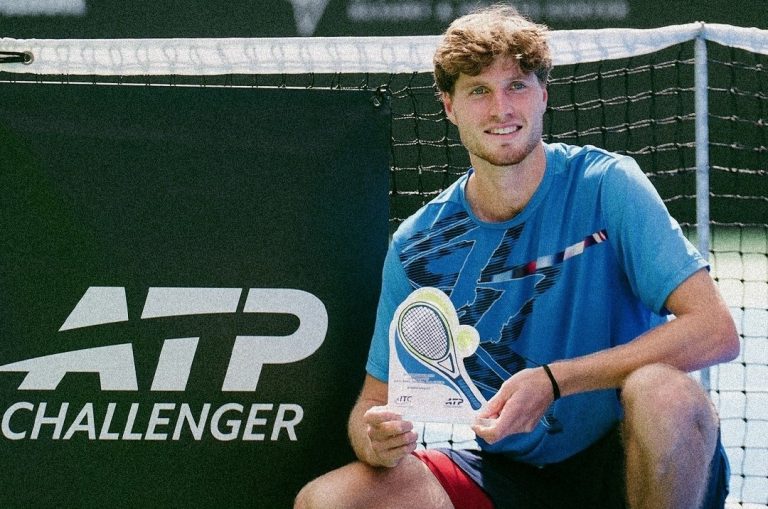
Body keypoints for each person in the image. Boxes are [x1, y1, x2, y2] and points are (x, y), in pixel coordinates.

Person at [294, 5, 739, 509]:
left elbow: (715, 330)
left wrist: (555, 381)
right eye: (479, 91)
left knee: (665, 394)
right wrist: (374, 438)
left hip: (630, 461)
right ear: (449, 105)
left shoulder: (607, 186)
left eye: (517, 86)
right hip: (509, 475)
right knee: (327, 501)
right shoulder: (418, 246)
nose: (501, 108)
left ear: (543, 95)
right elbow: (374, 403)